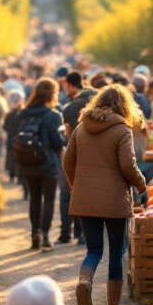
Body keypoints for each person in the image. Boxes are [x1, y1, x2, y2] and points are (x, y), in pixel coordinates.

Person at [62, 86, 148, 305]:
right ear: (125, 106)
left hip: (85, 197)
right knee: (116, 252)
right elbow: (128, 165)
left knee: (94, 249)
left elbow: (68, 160)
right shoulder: (122, 129)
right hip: (114, 201)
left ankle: (84, 281)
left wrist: (75, 185)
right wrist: (141, 185)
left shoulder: (81, 128)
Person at [12, 78, 67, 252]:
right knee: (49, 200)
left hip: (27, 162)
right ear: (53, 93)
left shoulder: (23, 113)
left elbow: (15, 136)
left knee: (34, 199)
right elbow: (58, 143)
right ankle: (45, 236)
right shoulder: (53, 115)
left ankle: (34, 235)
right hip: (47, 163)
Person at [57, 73, 98, 245]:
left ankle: (68, 232)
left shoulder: (69, 108)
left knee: (68, 193)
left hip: (75, 153)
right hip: (97, 154)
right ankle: (86, 233)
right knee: (89, 194)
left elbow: (67, 135)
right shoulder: (100, 100)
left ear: (70, 85)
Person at [3, 90, 25, 188]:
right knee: (19, 159)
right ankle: (19, 178)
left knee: (11, 158)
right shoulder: (23, 114)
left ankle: (12, 176)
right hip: (20, 139)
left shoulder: (9, 114)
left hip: (11, 139)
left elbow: (5, 127)